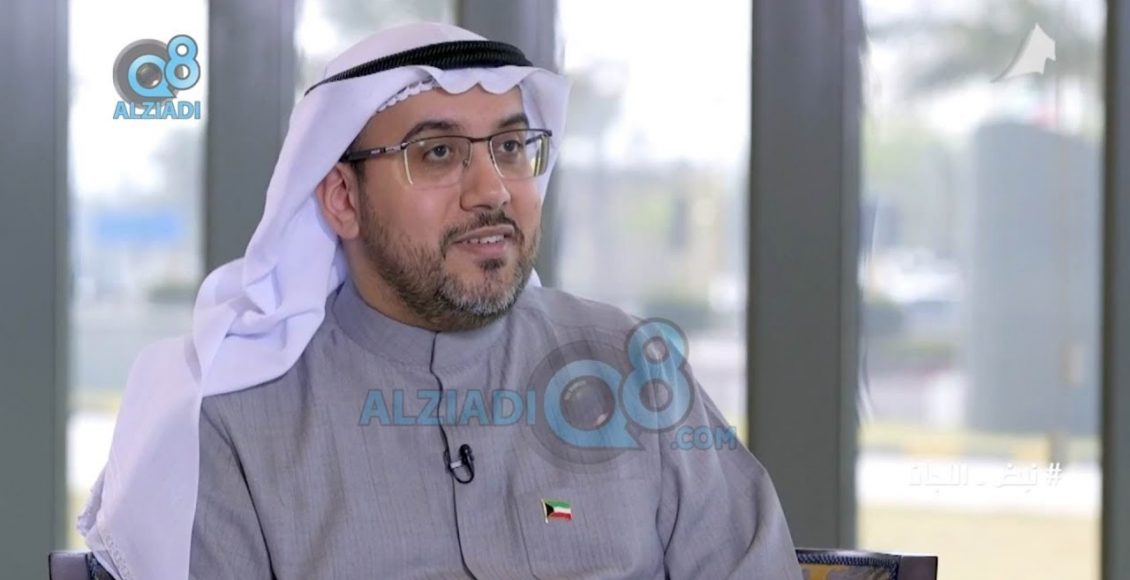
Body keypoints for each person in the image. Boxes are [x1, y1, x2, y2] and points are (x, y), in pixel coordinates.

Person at [78, 22, 804, 580]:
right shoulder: (232, 422)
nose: (493, 191)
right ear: (341, 198)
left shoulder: (633, 371)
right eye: (437, 153)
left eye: (511, 148)